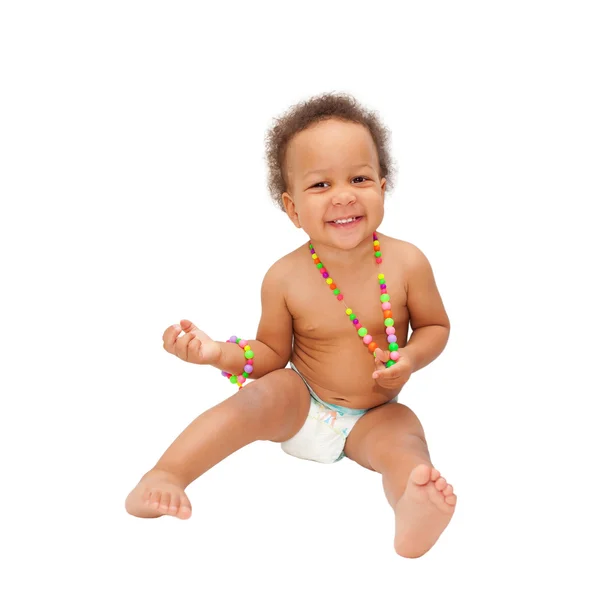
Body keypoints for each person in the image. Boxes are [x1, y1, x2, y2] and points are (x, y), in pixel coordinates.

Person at [125, 92, 457, 558]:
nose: (343, 194)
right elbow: (268, 355)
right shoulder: (285, 277)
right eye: (320, 185)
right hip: (302, 404)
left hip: (374, 415)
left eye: (359, 178)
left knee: (405, 440)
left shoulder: (407, 263)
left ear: (383, 187)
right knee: (263, 394)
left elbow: (435, 327)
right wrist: (215, 352)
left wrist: (410, 357)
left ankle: (410, 507)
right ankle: (167, 473)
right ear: (292, 208)